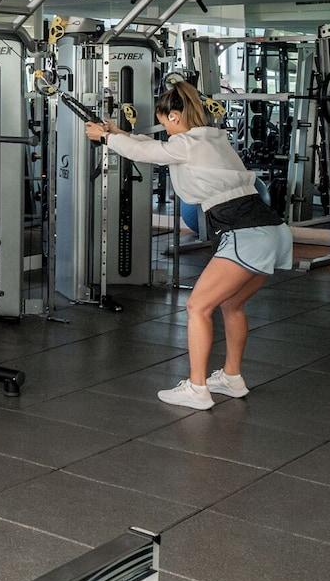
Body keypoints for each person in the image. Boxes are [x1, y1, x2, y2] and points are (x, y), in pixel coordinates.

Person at [85, 79, 293, 410]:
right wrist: (119, 133)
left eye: (166, 122)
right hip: (272, 230)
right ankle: (232, 377)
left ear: (175, 116)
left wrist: (107, 138)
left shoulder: (185, 144)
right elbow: (154, 147)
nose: (166, 130)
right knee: (232, 305)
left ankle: (197, 389)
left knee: (198, 307)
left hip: (245, 233)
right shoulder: (210, 139)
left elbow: (148, 153)